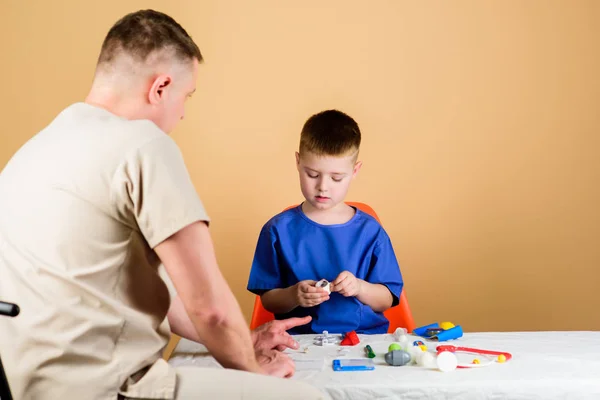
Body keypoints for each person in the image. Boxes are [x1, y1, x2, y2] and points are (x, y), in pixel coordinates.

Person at [0, 9, 327, 400]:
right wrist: (254, 370)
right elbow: (211, 309)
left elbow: (169, 297)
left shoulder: (32, 153)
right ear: (160, 87)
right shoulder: (143, 145)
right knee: (309, 396)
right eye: (186, 96)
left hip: (27, 387)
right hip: (107, 389)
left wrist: (247, 340)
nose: (184, 112)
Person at [247, 110, 404, 335]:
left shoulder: (370, 232)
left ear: (355, 171)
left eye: (336, 178)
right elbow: (269, 300)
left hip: (361, 339)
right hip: (299, 343)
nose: (323, 186)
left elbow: (386, 299)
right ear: (298, 162)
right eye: (312, 174)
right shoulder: (277, 231)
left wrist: (360, 287)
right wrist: (294, 295)